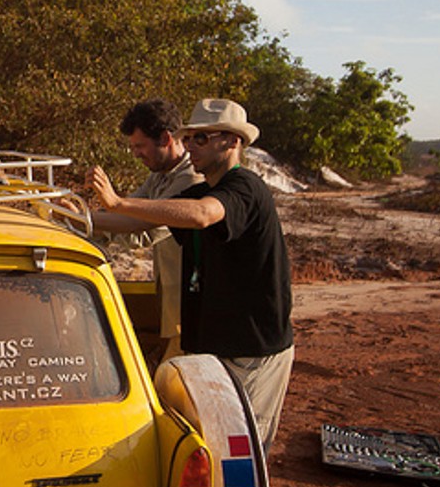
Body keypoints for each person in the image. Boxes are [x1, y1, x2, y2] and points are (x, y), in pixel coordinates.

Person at [87, 99, 294, 448]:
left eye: (201, 138)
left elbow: (201, 215)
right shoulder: (201, 190)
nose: (190, 146)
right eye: (189, 138)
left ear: (232, 142)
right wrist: (78, 218)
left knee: (241, 450)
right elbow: (138, 222)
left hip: (252, 349)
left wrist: (118, 201)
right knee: (205, 443)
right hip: (215, 346)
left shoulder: (244, 187)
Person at [87, 100, 205, 362]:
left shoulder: (190, 179)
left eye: (140, 146)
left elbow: (143, 226)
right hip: (172, 297)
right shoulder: (161, 174)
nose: (136, 154)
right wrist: (80, 216)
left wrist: (88, 218)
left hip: (191, 302)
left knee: (175, 372)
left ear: (165, 139)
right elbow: (127, 211)